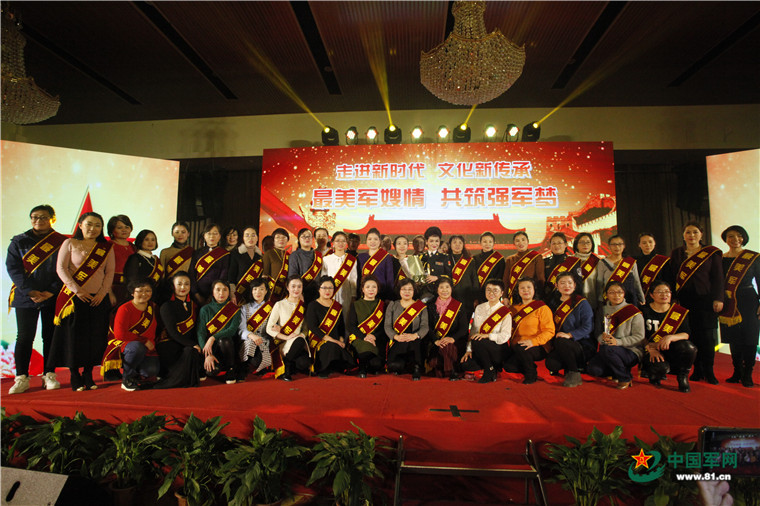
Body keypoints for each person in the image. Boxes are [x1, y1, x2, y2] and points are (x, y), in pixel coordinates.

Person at [48, 212, 115, 391]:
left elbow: (110, 272)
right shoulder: (70, 243)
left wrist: (102, 293)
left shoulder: (106, 247)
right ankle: (74, 374)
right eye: (89, 224)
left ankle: (88, 373)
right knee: (74, 338)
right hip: (73, 299)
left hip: (98, 299)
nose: (93, 229)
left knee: (95, 337)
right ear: (80, 225)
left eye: (97, 225)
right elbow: (61, 269)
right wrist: (77, 290)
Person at [6, 204, 65, 394]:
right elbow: (13, 268)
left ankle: (49, 374)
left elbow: (65, 268)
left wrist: (51, 291)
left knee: (50, 335)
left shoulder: (61, 242)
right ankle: (21, 377)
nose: (38, 220)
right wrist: (30, 291)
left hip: (51, 295)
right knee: (24, 336)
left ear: (52, 219)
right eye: (35, 217)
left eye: (43, 217)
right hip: (26, 296)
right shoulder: (19, 241)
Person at [669, 221, 724, 384]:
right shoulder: (677, 253)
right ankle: (697, 369)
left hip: (706, 300)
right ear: (683, 235)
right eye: (688, 232)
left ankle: (709, 371)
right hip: (684, 300)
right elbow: (672, 277)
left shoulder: (710, 253)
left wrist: (719, 298)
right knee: (691, 335)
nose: (691, 235)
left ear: (701, 235)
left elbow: (718, 277)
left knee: (707, 338)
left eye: (695, 232)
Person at [718, 225, 759, 387]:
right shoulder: (721, 259)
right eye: (731, 236)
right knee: (733, 338)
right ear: (725, 239)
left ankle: (748, 373)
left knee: (750, 337)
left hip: (749, 300)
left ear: (744, 238)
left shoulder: (753, 257)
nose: (735, 239)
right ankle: (737, 372)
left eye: (739, 236)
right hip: (729, 300)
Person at [586, 281, 645, 390]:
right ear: (606, 295)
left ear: (624, 294)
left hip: (630, 350)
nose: (616, 295)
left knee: (609, 349)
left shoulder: (633, 312)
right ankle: (617, 370)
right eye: (612, 292)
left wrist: (618, 342)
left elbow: (639, 337)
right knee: (593, 369)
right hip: (608, 348)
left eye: (619, 292)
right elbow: (597, 332)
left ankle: (625, 378)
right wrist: (602, 338)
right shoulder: (602, 310)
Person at [640, 280, 696, 393]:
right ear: (651, 295)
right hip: (649, 349)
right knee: (660, 368)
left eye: (667, 291)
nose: (664, 294)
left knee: (689, 347)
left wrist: (669, 337)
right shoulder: (643, 311)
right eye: (660, 292)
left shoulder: (678, 312)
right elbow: (639, 334)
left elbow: (685, 334)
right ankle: (653, 373)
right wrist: (650, 349)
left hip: (669, 347)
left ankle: (682, 377)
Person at [544, 272, 595, 387]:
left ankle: (574, 372)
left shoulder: (582, 302)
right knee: (552, 364)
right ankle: (570, 366)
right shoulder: (552, 303)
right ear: (556, 285)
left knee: (561, 340)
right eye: (562, 283)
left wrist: (570, 335)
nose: (566, 286)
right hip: (560, 343)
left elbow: (588, 327)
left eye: (569, 283)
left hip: (581, 344)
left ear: (575, 285)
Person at [156, 271, 202, 389]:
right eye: (179, 284)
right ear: (173, 286)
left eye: (186, 284)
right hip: (170, 343)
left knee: (191, 351)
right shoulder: (166, 306)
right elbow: (172, 333)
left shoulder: (194, 305)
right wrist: (192, 344)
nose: (183, 287)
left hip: (187, 343)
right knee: (190, 349)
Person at [112, 279, 160, 391]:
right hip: (130, 346)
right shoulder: (125, 308)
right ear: (132, 293)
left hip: (149, 349)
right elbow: (120, 334)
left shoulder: (153, 307)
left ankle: (137, 373)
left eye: (148, 290)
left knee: (151, 372)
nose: (144, 294)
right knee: (137, 348)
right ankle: (127, 378)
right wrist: (144, 341)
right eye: (140, 291)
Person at [504, 278, 554, 384]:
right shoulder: (513, 309)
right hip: (517, 346)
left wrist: (533, 342)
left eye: (529, 287)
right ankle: (529, 365)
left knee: (522, 348)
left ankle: (531, 374)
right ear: (518, 291)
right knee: (509, 367)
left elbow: (549, 331)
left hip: (537, 345)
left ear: (534, 289)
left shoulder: (542, 308)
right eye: (522, 288)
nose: (526, 290)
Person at [462, 279, 512, 383]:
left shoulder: (505, 312)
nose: (491, 293)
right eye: (488, 290)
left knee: (479, 341)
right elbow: (473, 331)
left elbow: (505, 335)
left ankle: (488, 371)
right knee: (465, 364)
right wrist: (469, 349)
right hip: (480, 347)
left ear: (501, 293)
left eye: (495, 290)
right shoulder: (479, 308)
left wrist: (488, 336)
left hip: (498, 348)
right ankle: (491, 367)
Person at [307, 276, 355, 378]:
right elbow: (313, 327)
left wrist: (341, 340)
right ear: (319, 289)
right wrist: (334, 341)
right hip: (319, 340)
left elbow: (341, 328)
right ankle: (323, 370)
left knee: (340, 348)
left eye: (330, 288)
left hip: (335, 340)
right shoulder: (312, 305)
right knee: (331, 346)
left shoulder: (337, 306)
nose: (327, 291)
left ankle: (335, 365)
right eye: (324, 288)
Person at [266, 276, 311, 381]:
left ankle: (288, 362)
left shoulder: (303, 307)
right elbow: (269, 328)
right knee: (299, 343)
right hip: (283, 341)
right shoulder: (280, 304)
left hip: (298, 341)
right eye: (293, 286)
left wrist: (301, 335)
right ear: (287, 288)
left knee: (304, 363)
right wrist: (286, 337)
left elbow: (305, 329)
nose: (296, 289)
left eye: (299, 286)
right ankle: (287, 368)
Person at [197, 279, 242, 384]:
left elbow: (232, 330)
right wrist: (207, 355)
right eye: (218, 290)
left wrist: (213, 338)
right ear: (212, 292)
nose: (221, 293)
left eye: (225, 290)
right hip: (211, 348)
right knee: (211, 371)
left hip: (228, 347)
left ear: (229, 292)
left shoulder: (234, 309)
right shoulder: (205, 309)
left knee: (224, 340)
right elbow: (200, 332)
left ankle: (231, 369)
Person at [384, 278, 429, 380]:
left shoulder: (420, 307)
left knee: (415, 347)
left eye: (410, 289)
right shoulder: (393, 305)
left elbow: (424, 326)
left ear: (414, 291)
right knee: (394, 366)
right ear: (399, 290)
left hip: (415, 340)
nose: (407, 292)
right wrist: (395, 336)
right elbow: (387, 326)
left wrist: (415, 335)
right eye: (404, 289)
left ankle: (416, 367)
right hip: (398, 340)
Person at [426, 277, 469, 380]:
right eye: (441, 287)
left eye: (447, 287)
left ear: (451, 289)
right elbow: (427, 327)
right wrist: (436, 341)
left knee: (447, 347)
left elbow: (463, 328)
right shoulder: (430, 306)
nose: (444, 290)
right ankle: (451, 370)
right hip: (436, 342)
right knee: (436, 359)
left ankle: (448, 370)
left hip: (455, 341)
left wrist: (452, 338)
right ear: (437, 289)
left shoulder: (459, 306)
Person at [347, 275, 387, 377]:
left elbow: (384, 326)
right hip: (360, 337)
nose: (371, 289)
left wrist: (374, 336)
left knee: (376, 364)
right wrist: (364, 337)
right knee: (365, 350)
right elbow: (351, 326)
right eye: (368, 287)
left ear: (378, 289)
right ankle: (362, 368)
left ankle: (367, 366)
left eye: (374, 287)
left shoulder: (382, 305)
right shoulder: (356, 304)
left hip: (377, 338)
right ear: (363, 289)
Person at [594, 235, 645, 310]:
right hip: (610, 300)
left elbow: (636, 282)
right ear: (609, 247)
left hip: (629, 297)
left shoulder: (630, 262)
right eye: (614, 244)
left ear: (624, 246)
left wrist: (641, 297)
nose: (617, 247)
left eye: (620, 244)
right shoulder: (603, 263)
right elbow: (600, 283)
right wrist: (600, 300)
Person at [237, 278, 274, 380]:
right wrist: (252, 336)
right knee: (250, 343)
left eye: (261, 289)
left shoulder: (271, 308)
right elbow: (241, 329)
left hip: (264, 342)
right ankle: (243, 368)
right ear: (251, 291)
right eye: (255, 289)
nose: (258, 292)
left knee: (257, 361)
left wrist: (276, 327)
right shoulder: (244, 308)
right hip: (248, 342)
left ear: (266, 291)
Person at [189, 223, 230, 307]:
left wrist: (213, 295)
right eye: (209, 233)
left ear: (219, 236)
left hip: (216, 295)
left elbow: (223, 275)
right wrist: (196, 294)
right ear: (204, 236)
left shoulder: (225, 254)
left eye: (215, 233)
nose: (212, 236)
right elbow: (192, 273)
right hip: (196, 294)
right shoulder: (197, 253)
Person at [321, 231, 357, 313]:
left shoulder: (351, 260)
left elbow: (353, 279)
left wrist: (353, 295)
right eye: (337, 241)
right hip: (330, 293)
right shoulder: (326, 259)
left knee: (346, 316)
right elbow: (323, 279)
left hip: (346, 293)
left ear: (346, 243)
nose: (340, 243)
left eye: (343, 241)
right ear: (333, 243)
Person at [228, 226, 263, 306]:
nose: (250, 238)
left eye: (253, 235)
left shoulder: (260, 256)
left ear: (257, 238)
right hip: (240, 295)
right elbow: (231, 277)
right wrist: (232, 293)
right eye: (247, 235)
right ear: (243, 238)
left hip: (256, 296)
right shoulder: (235, 254)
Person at [123, 229, 163, 298]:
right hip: (141, 295)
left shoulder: (155, 259)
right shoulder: (135, 258)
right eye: (146, 240)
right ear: (140, 241)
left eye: (153, 240)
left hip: (156, 295)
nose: (150, 242)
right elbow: (131, 279)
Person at [357, 228, 394, 301]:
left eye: (375, 239)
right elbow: (358, 278)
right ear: (366, 241)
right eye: (370, 239)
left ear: (380, 241)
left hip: (382, 295)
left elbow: (390, 279)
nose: (372, 241)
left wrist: (389, 297)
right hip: (365, 295)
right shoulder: (360, 257)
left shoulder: (386, 257)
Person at [504, 231, 545, 297]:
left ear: (528, 241)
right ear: (514, 243)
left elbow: (540, 278)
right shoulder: (510, 259)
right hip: (514, 295)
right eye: (517, 241)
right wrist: (505, 297)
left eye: (523, 240)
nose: (521, 243)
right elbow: (505, 280)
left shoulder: (536, 257)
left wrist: (539, 296)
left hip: (531, 295)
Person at [107, 214, 136, 306]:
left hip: (131, 288)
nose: (124, 230)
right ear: (112, 230)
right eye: (119, 228)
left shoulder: (133, 247)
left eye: (127, 227)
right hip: (113, 287)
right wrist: (109, 292)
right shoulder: (107, 246)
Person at [418, 226, 452, 302]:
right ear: (426, 242)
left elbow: (449, 276)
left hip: (440, 293)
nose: (434, 244)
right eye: (431, 241)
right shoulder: (420, 257)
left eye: (437, 241)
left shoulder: (444, 257)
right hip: (423, 293)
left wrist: (437, 277)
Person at [288, 227, 322, 304]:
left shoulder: (318, 255)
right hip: (301, 293)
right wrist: (298, 293)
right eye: (303, 236)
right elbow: (292, 276)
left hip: (318, 293)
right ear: (299, 240)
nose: (307, 238)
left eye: (309, 236)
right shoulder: (295, 255)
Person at [447, 234, 478, 315]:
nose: (457, 245)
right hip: (449, 296)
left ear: (463, 245)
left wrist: (475, 297)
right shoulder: (445, 259)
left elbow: (474, 279)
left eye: (460, 242)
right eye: (454, 242)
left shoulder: (470, 261)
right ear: (450, 245)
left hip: (467, 297)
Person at [634, 233, 672, 297]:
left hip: (659, 295)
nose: (648, 245)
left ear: (654, 243)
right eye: (644, 243)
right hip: (640, 296)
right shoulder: (634, 261)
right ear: (639, 245)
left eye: (650, 242)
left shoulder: (663, 260)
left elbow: (668, 280)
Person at [543, 232, 579, 299]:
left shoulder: (572, 262)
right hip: (548, 298)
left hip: (566, 299)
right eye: (553, 243)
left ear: (565, 244)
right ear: (550, 245)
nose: (556, 246)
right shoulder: (545, 262)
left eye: (559, 243)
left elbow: (578, 284)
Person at [473, 232, 505, 304]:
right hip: (479, 294)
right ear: (480, 243)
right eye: (485, 242)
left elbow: (500, 277)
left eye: (490, 242)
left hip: (494, 293)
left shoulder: (499, 259)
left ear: (494, 243)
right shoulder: (475, 258)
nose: (487, 244)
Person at [571, 233, 601, 309]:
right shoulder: (570, 261)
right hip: (573, 302)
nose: (585, 245)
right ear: (576, 245)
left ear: (592, 244)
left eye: (588, 242)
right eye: (582, 242)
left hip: (592, 302)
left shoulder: (597, 262)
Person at [159, 221, 194, 285]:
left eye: (183, 232)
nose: (180, 235)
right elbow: (162, 275)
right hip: (169, 286)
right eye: (177, 232)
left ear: (188, 234)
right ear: (172, 234)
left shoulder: (192, 251)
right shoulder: (165, 252)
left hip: (187, 286)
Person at [262, 227, 291, 300]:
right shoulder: (269, 253)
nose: (281, 239)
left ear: (287, 240)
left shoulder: (290, 256)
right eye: (278, 237)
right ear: (273, 240)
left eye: (284, 237)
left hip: (286, 291)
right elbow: (265, 275)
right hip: (272, 291)